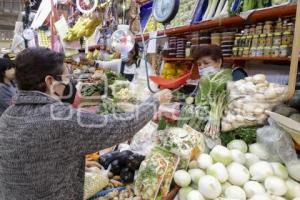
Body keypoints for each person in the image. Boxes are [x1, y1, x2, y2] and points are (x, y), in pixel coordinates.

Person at [0, 48, 172, 200]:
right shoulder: (61, 118)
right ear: (50, 82)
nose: (70, 84)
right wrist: (155, 100)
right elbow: (123, 125)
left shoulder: (6, 117)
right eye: (67, 78)